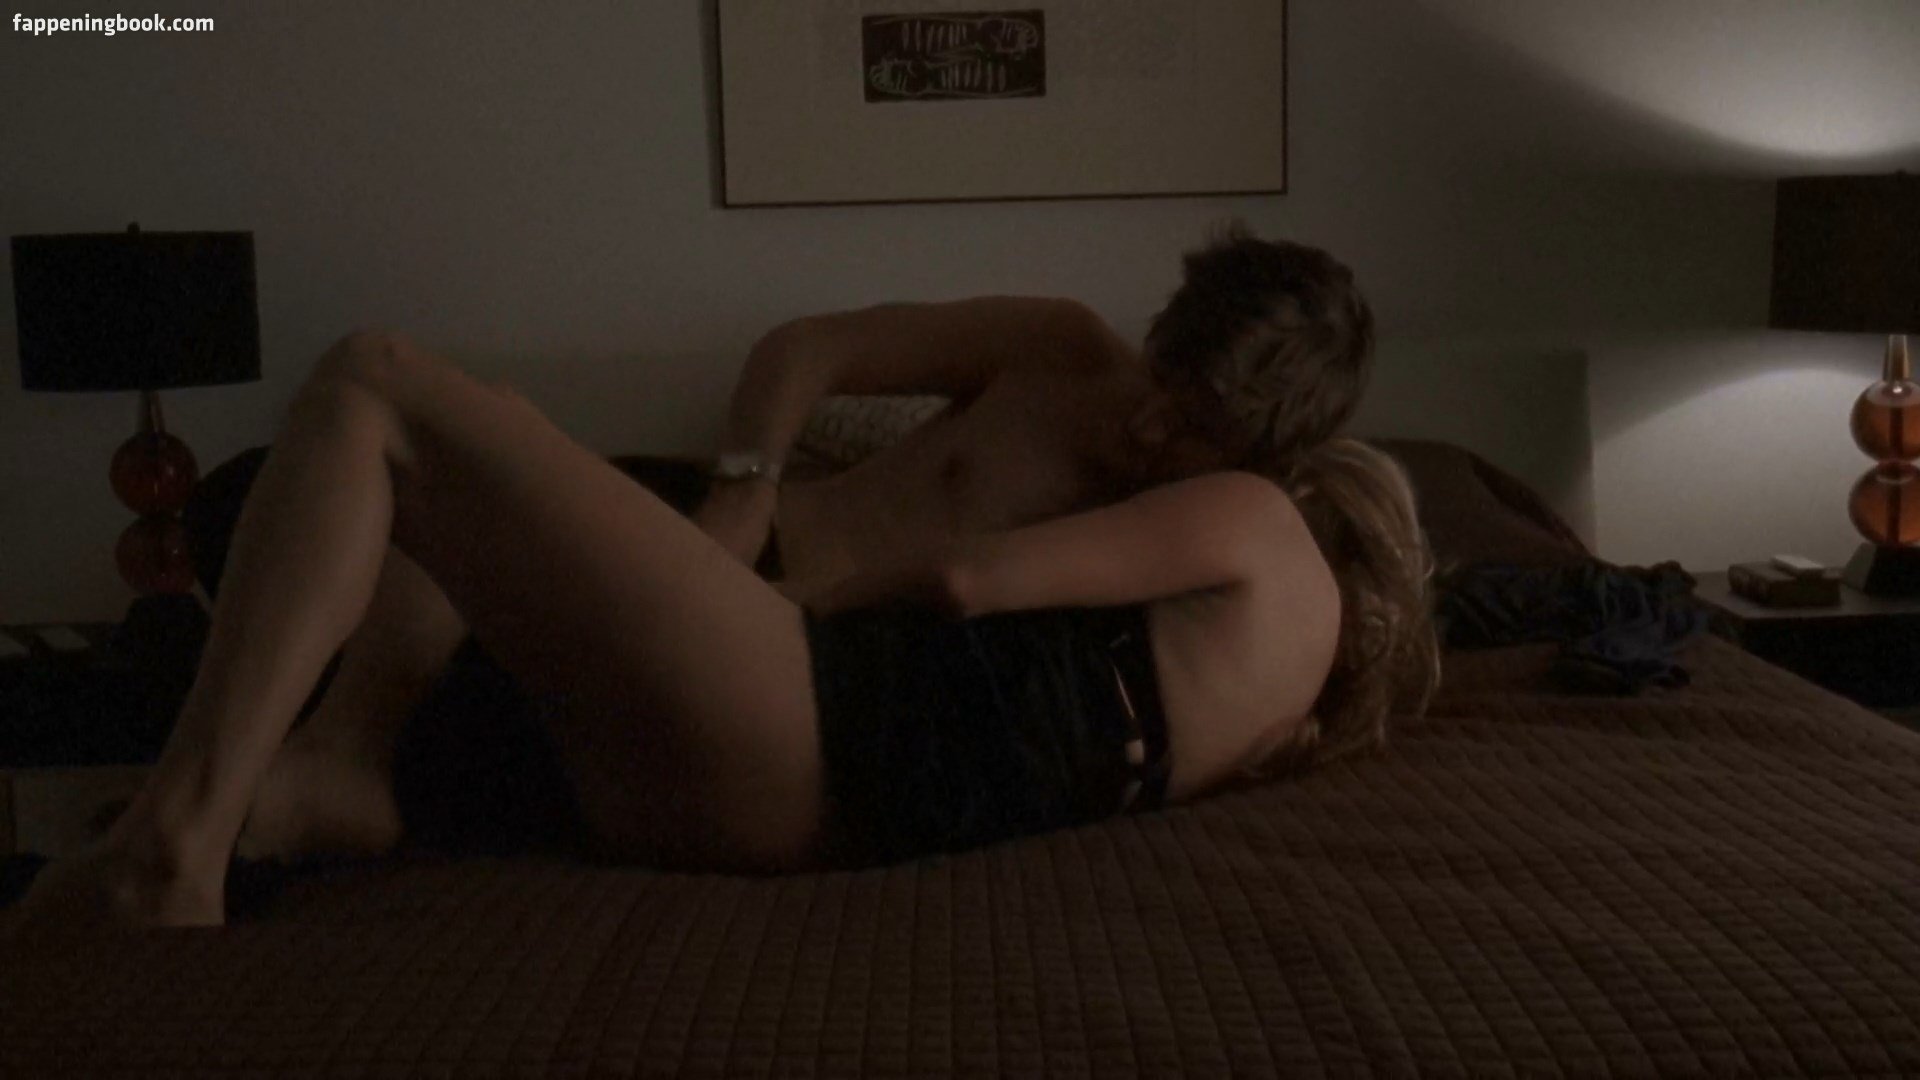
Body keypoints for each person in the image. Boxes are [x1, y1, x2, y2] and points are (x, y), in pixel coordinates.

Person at [4, 223, 1439, 935]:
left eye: (1201, 434)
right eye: (1167, 387)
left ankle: (204, 829)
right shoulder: (1060, 347)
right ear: (1165, 325)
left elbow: (975, 597)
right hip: (722, 570)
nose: (1156, 435)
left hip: (785, 666)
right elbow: (808, 349)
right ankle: (333, 768)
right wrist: (747, 492)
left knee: (381, 402)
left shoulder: (1204, 532)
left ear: (1267, 450)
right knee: (392, 472)